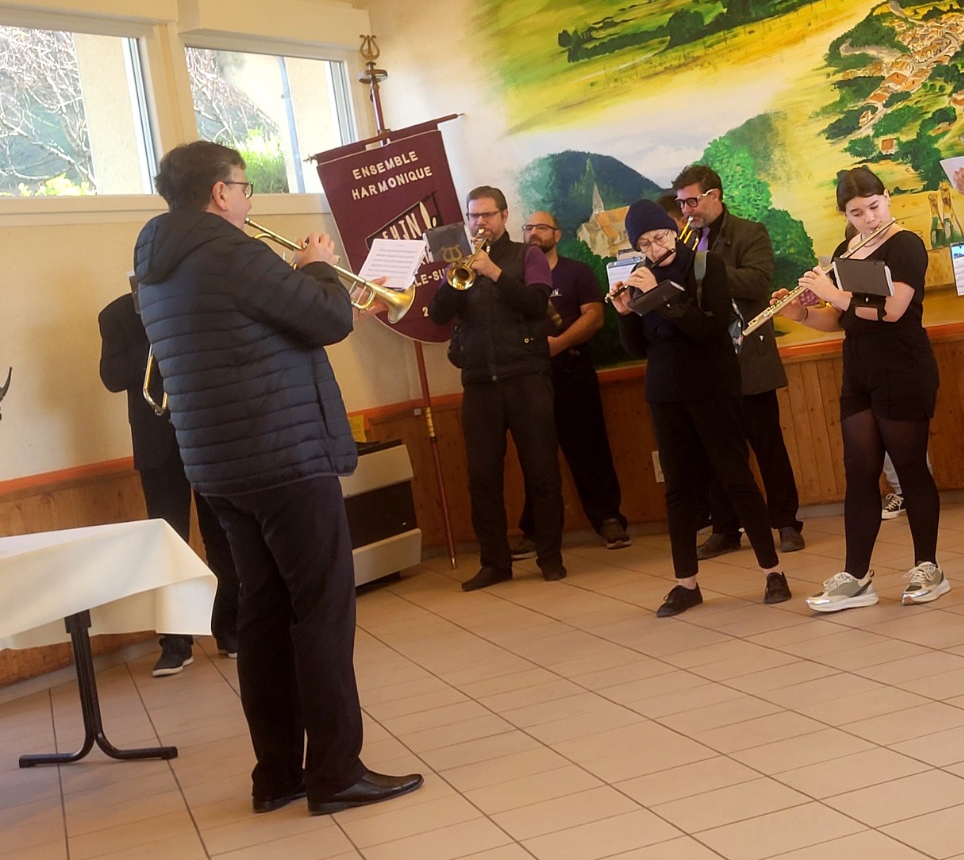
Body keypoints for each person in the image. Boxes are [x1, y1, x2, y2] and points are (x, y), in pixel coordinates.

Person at [133, 140, 420, 815]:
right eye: (244, 187)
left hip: (219, 466)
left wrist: (292, 276)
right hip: (283, 456)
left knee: (262, 616)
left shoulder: (157, 263)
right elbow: (327, 319)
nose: (248, 199)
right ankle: (336, 773)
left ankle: (278, 775)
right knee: (321, 612)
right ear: (220, 193)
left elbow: (247, 330)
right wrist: (317, 267)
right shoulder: (231, 251)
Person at [773, 167, 948, 611]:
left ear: (886, 198)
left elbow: (892, 310)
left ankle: (928, 567)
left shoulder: (905, 244)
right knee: (859, 472)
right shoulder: (844, 251)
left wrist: (831, 291)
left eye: (874, 206)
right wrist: (799, 313)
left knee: (910, 468)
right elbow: (840, 319)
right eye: (857, 212)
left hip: (903, 365)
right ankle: (856, 577)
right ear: (845, 215)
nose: (869, 218)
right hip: (859, 370)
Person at [611, 199, 790, 616]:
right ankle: (685, 584)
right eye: (644, 244)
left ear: (674, 231)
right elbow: (637, 347)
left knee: (736, 477)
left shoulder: (706, 266)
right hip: (665, 392)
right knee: (677, 489)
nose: (655, 249)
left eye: (660, 237)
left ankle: (773, 572)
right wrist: (625, 312)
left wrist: (659, 298)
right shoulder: (641, 277)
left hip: (712, 386)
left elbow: (709, 329)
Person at [98, 288, 239, 676]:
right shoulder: (115, 315)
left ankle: (231, 628)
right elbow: (112, 376)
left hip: (207, 434)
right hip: (157, 444)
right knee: (167, 545)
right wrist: (155, 338)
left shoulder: (196, 297)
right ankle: (176, 644)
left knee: (222, 537)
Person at [430, 187, 565, 591]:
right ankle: (494, 564)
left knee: (541, 472)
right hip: (479, 383)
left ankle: (551, 558)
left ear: (504, 216)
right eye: (473, 216)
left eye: (487, 215)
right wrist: (450, 282)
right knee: (482, 479)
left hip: (526, 376)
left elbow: (536, 305)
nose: (480, 223)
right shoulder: (461, 260)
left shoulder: (528, 256)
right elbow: (438, 316)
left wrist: (494, 273)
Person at [672, 165, 805, 556]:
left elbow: (757, 282)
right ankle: (726, 529)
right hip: (708, 364)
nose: (686, 211)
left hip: (748, 356)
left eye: (691, 202)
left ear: (714, 196)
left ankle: (786, 523)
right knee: (718, 452)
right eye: (681, 204)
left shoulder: (750, 232)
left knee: (768, 446)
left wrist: (703, 269)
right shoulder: (684, 242)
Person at [515, 210, 629, 550]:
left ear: (557, 234)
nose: (534, 232)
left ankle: (609, 519)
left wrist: (559, 344)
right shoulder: (514, 279)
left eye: (542, 227)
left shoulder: (576, 272)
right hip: (529, 378)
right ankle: (535, 531)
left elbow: (594, 317)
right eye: (528, 227)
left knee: (590, 448)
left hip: (573, 371)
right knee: (535, 456)